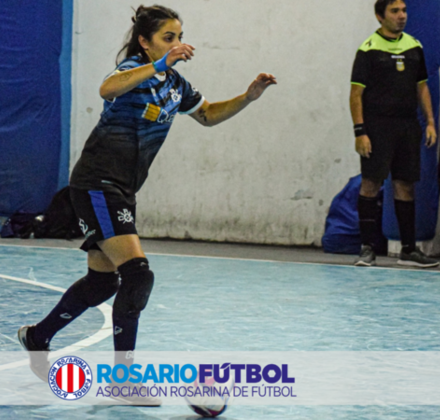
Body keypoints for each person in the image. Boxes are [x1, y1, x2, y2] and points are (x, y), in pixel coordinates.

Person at [18, 5, 277, 405]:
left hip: (122, 189)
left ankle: (38, 336)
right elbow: (107, 90)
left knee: (103, 282)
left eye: (179, 36)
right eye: (167, 38)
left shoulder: (174, 85)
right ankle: (124, 378)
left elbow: (207, 115)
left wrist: (248, 97)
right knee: (137, 275)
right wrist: (156, 63)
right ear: (145, 41)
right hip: (97, 184)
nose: (177, 44)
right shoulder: (134, 72)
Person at [350, 0, 439, 268]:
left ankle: (409, 250)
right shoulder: (368, 50)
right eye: (395, 11)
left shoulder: (414, 46)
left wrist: (431, 122)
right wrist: (360, 132)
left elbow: (421, 87)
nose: (402, 16)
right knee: (371, 183)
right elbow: (356, 94)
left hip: (407, 125)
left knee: (405, 185)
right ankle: (367, 249)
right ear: (380, 16)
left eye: (404, 11)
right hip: (377, 127)